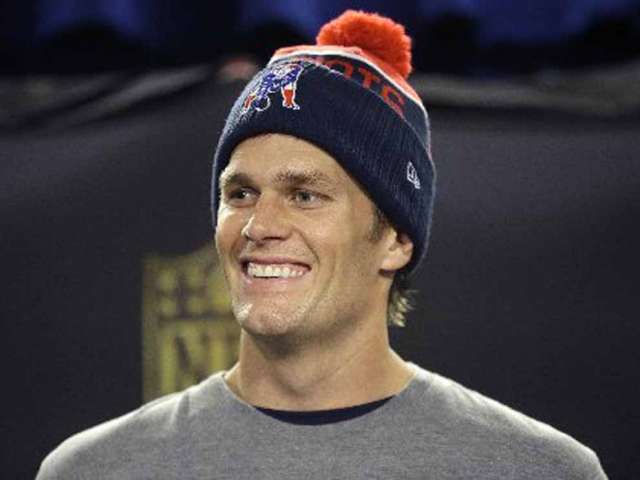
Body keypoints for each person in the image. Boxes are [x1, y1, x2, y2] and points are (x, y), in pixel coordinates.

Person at [37, 10, 608, 479]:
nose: (259, 225)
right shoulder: (95, 470)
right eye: (239, 193)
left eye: (305, 195)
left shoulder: (539, 470)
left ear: (395, 239)